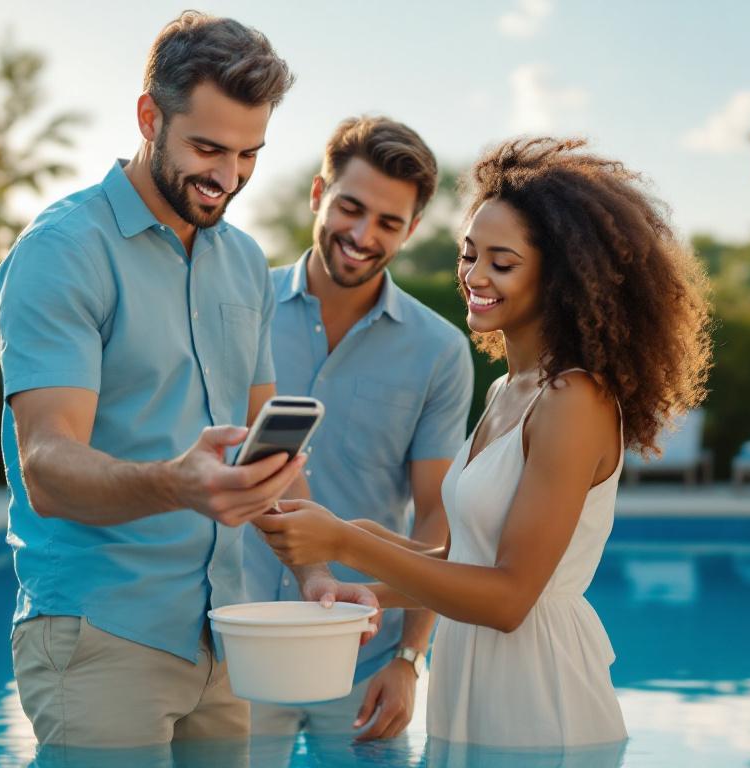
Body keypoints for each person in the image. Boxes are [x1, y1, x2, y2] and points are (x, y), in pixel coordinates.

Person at [0, 11, 375, 748]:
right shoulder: (63, 251)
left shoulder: (241, 261)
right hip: (101, 633)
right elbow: (47, 466)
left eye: (248, 154)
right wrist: (175, 483)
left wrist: (315, 577)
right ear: (149, 117)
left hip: (223, 638)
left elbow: (267, 457)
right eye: (207, 147)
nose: (227, 177)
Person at [255, 136, 712, 748]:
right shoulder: (506, 390)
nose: (474, 276)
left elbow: (508, 598)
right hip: (475, 679)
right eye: (470, 255)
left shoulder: (575, 400)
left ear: (560, 277)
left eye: (502, 262)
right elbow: (469, 559)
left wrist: (342, 542)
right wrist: (367, 586)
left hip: (538, 695)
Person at [244, 116, 473, 746]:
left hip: (363, 654)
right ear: (318, 195)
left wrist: (409, 659)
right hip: (235, 645)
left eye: (388, 222)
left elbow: (436, 518)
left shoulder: (440, 351)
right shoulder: (242, 311)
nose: (362, 234)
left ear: (412, 230)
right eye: (350, 207)